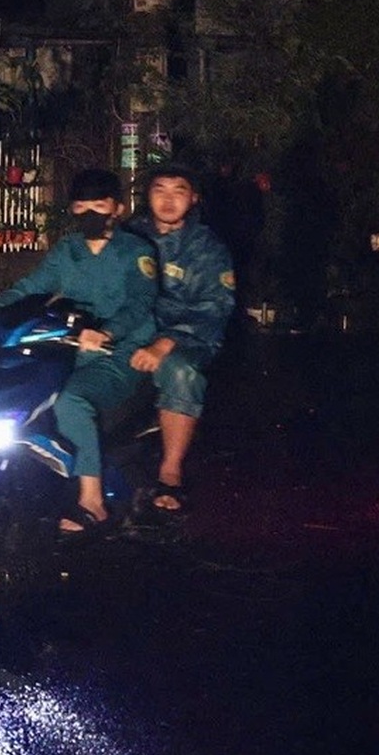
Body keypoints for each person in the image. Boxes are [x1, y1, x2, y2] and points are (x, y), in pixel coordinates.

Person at [0, 167, 158, 534]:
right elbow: (30, 286)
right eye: (82, 206)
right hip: (67, 343)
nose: (91, 214)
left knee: (70, 401)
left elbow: (141, 304)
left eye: (100, 205)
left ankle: (93, 502)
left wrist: (106, 332)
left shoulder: (137, 252)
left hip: (119, 350)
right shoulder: (68, 250)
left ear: (118, 207)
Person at [126, 163, 236, 514]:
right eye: (160, 189)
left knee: (181, 372)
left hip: (189, 337)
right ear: (147, 195)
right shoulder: (129, 236)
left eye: (179, 191)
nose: (169, 200)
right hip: (132, 331)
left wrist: (164, 343)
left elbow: (213, 309)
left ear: (193, 198)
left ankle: (170, 470)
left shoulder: (207, 248)